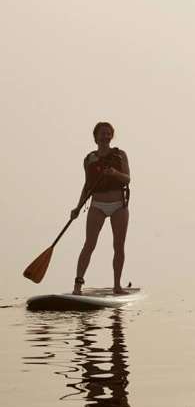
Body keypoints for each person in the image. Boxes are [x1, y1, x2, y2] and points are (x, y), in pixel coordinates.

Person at [71, 122, 131, 294]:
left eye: (108, 134)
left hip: (119, 205)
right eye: (102, 134)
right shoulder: (89, 159)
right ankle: (77, 286)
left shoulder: (119, 155)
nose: (105, 137)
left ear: (112, 136)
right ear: (95, 137)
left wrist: (114, 173)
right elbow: (87, 186)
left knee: (118, 245)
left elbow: (127, 179)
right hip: (97, 205)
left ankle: (117, 285)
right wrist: (77, 207)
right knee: (89, 244)